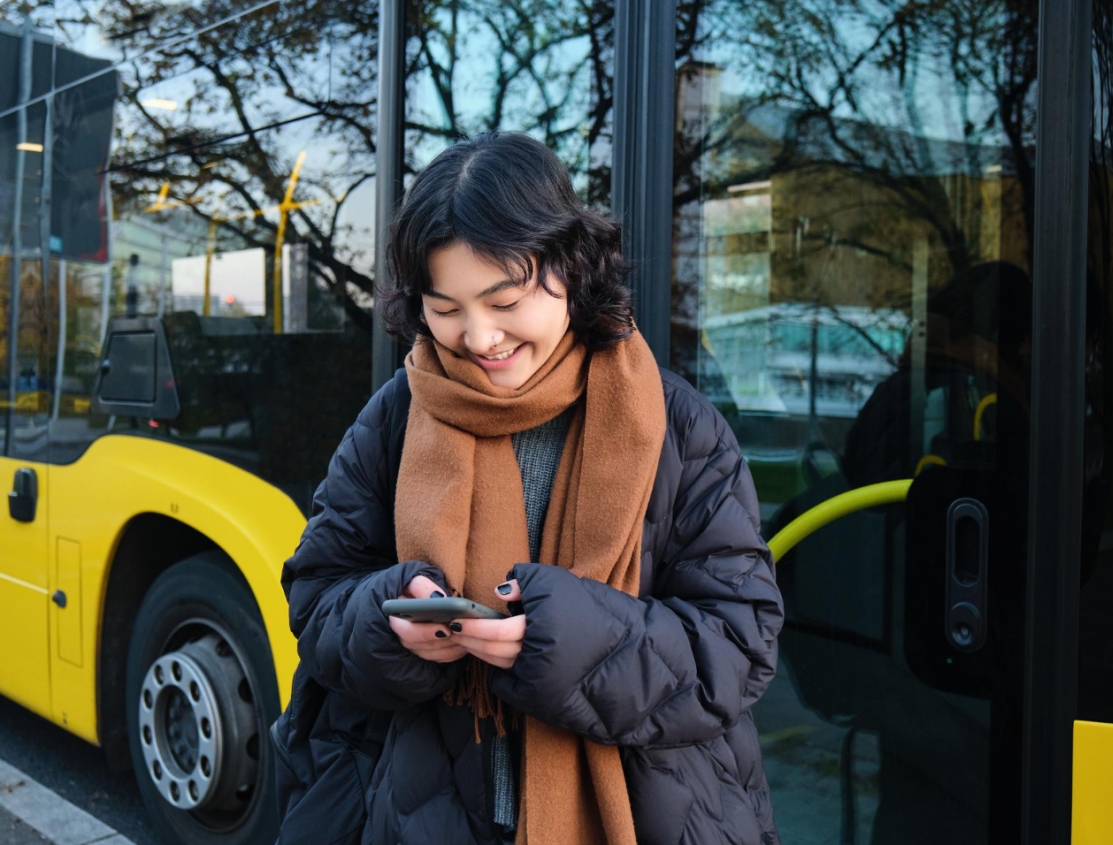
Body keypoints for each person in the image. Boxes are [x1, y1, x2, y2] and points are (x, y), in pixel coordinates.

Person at [280, 131, 784, 845]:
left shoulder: (678, 426)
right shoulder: (395, 417)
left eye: (504, 299)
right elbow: (318, 595)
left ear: (571, 266)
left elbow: (737, 642)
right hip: (423, 811)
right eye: (445, 307)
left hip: (650, 815)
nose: (479, 337)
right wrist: (385, 624)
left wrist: (559, 641)